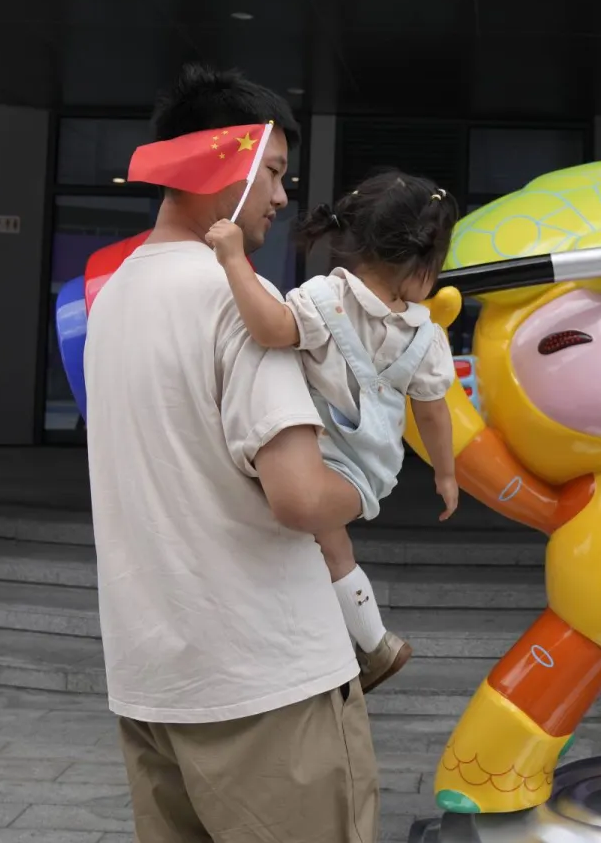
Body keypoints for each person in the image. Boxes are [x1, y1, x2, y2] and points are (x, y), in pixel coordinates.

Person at [84, 63, 378, 842]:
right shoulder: (238, 299)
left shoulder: (111, 297)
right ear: (224, 161)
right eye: (273, 173)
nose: (282, 199)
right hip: (265, 682)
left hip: (151, 681)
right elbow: (300, 497)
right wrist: (371, 482)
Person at [204, 168, 461, 680]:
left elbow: (271, 329)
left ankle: (374, 643)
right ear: (422, 263)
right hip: (366, 473)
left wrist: (234, 260)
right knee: (331, 542)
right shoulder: (428, 336)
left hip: (312, 458)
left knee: (317, 537)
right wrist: (446, 473)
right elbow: (433, 411)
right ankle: (375, 644)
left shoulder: (325, 298)